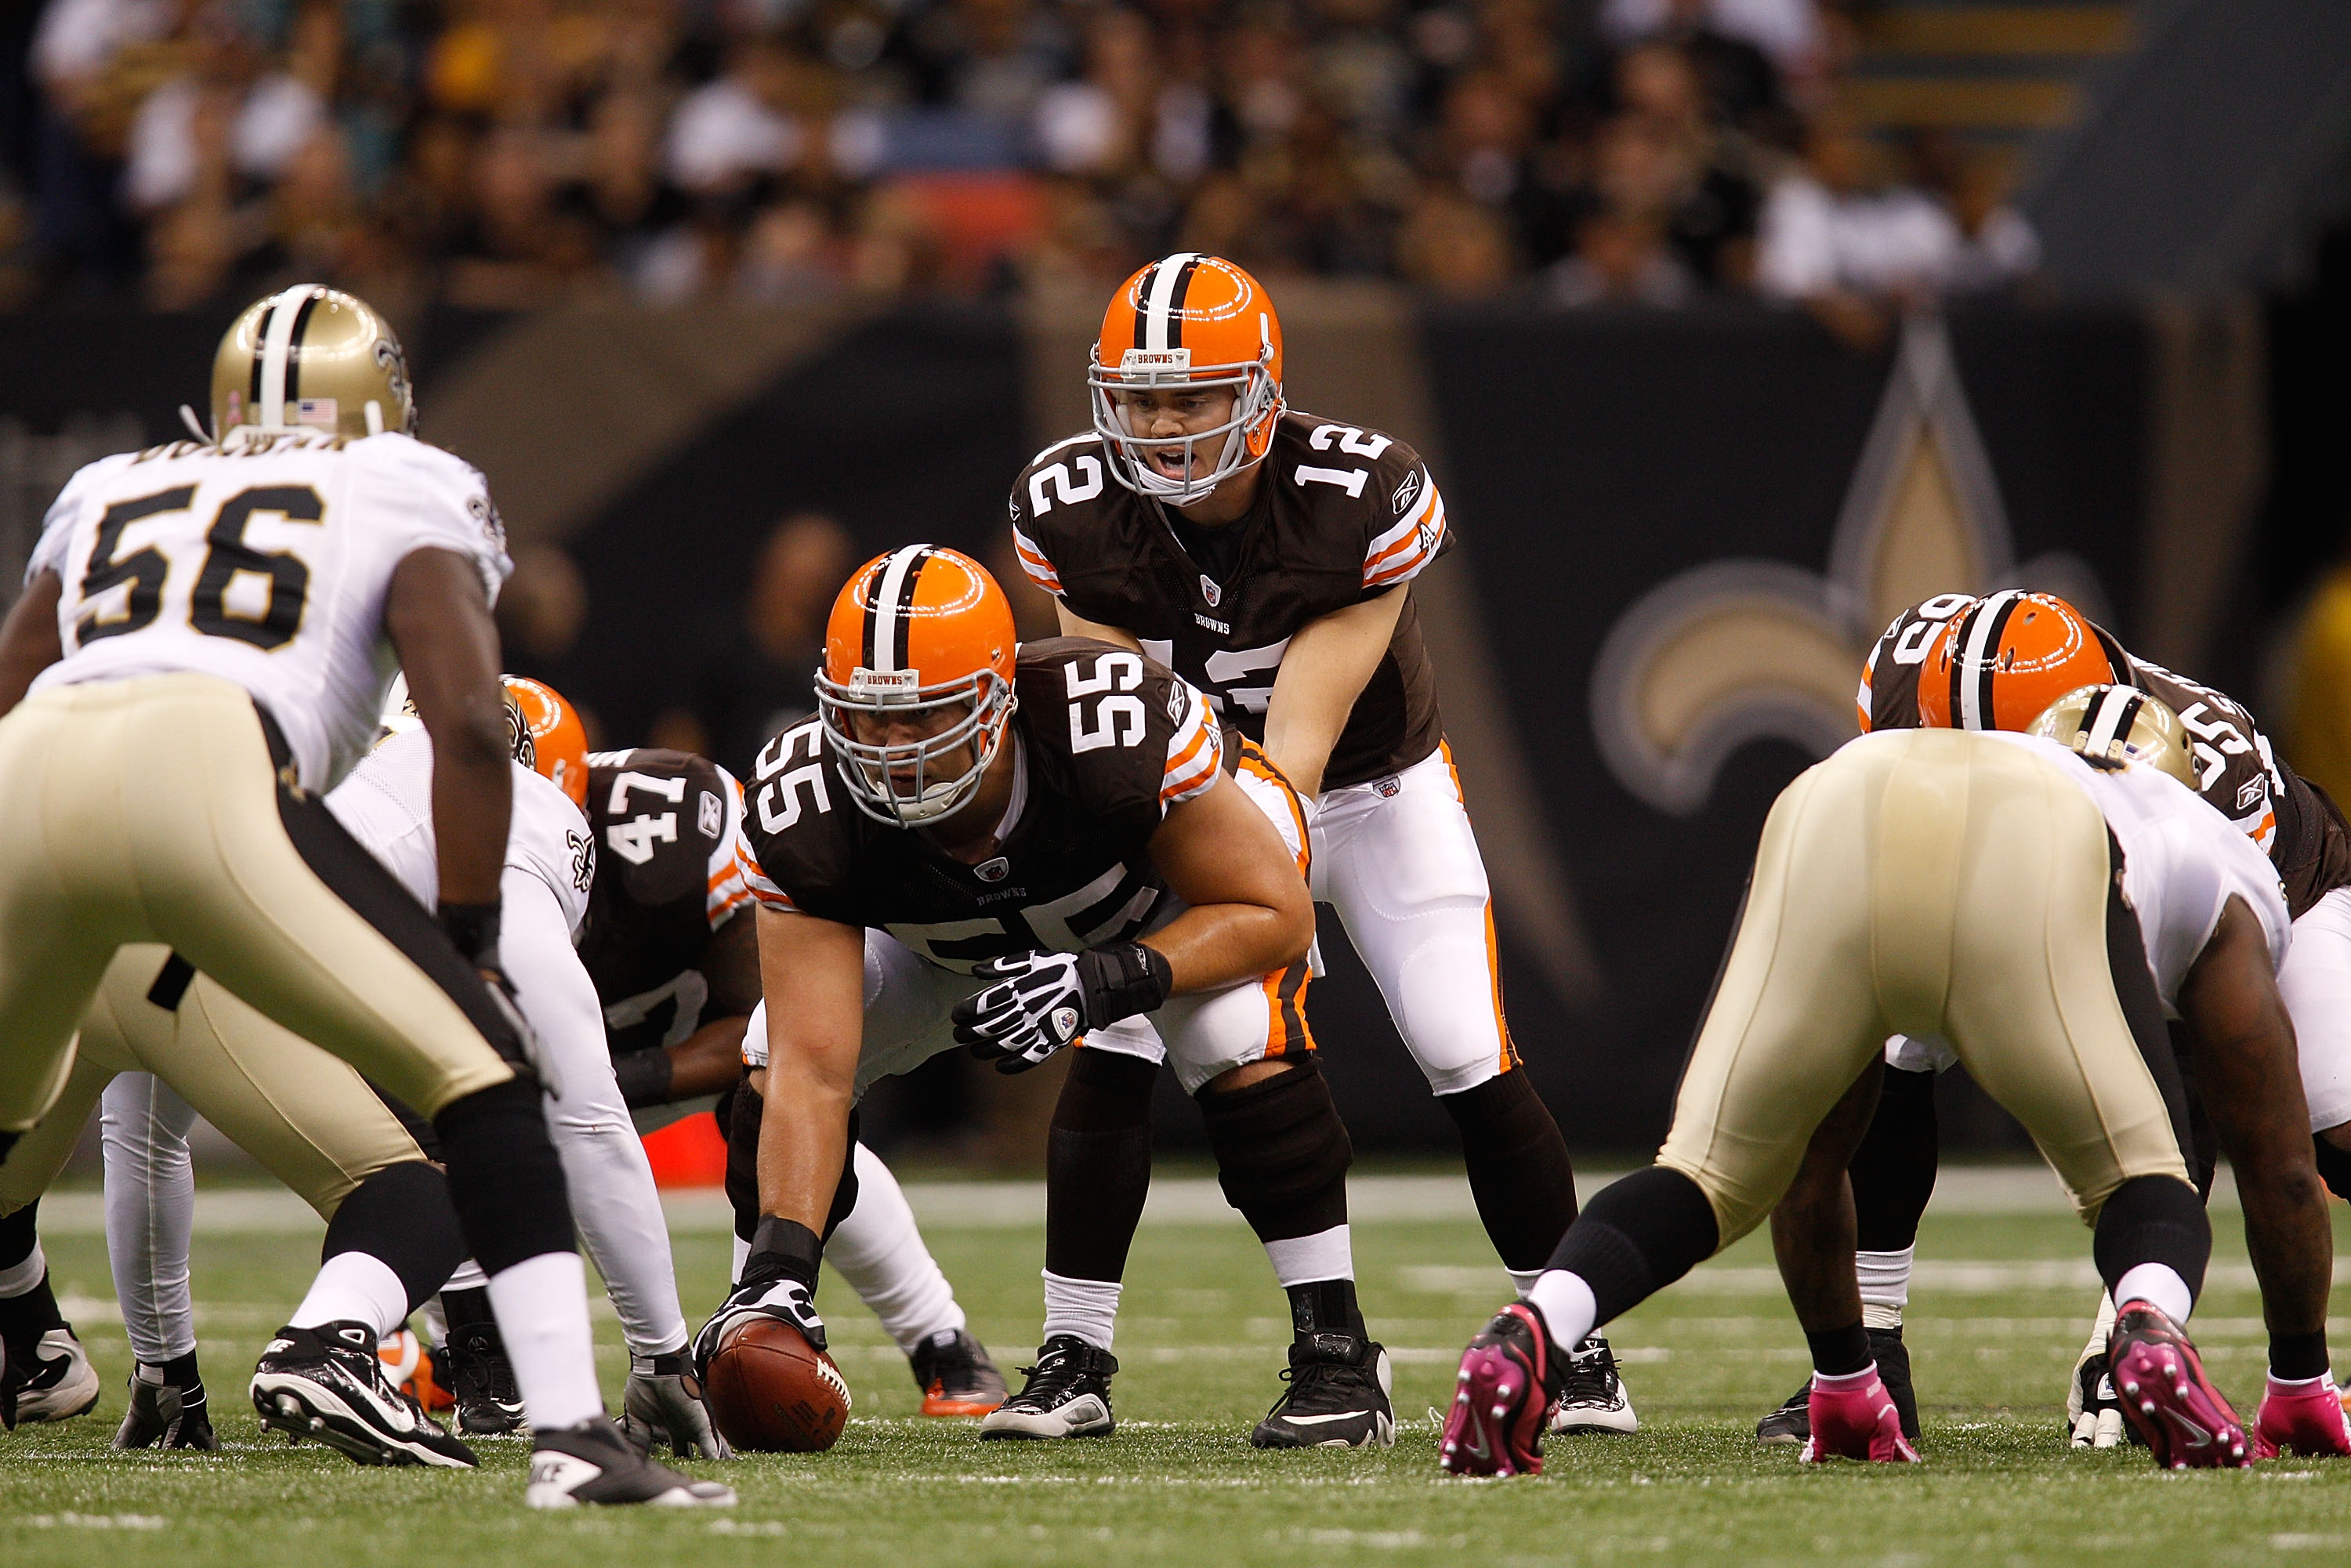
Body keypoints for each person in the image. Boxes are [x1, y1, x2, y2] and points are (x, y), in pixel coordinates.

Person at [0, 285, 728, 1507]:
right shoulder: (407, 482)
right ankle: (571, 1439)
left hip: (31, 776)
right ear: (380, 411)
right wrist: (469, 945)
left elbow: (18, 676)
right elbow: (471, 729)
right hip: (200, 772)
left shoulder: (114, 481)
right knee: (488, 1073)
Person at [1006, 253, 1629, 1433]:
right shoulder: (1072, 507)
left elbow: (1296, 745)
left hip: (1366, 788)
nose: (1162, 423)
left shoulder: (1360, 492)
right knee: (1123, 1031)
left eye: (1192, 396)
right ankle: (1074, 1358)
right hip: (1183, 803)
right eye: (1140, 397)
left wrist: (1245, 904)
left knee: (1461, 1049)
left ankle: (1574, 1342)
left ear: (1261, 390)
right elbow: (1114, 722)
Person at [1444, 687, 2299, 1476]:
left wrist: (1846, 1378)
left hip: (1830, 799)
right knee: (2140, 1178)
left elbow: (1817, 1166)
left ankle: (1535, 1327)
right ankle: (2147, 1330)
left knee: (1707, 1176)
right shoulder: (2206, 843)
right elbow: (2280, 1162)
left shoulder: (1973, 759)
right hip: (2033, 845)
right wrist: (2302, 1382)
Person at [704, 545, 1395, 1448]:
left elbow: (1276, 913)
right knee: (769, 1055)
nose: (894, 750)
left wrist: (1108, 977)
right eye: (869, 721)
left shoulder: (1101, 726)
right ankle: (767, 1296)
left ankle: (1338, 1353)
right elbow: (813, 1071)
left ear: (1000, 696)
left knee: (1230, 1028)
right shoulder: (809, 802)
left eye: (929, 717)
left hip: (1155, 902)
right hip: (949, 940)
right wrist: (781, 1266)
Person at [1753, 590, 2351, 1458]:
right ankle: (1871, 1348)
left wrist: (2130, 1330)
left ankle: (2169, 1346)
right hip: (2008, 858)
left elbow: (2189, 1044)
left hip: (2279, 902)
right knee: (1890, 1032)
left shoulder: (2200, 769)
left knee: (2325, 1129)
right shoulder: (1907, 676)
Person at [582, 741, 1007, 1414]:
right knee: (445, 1125)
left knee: (773, 1088)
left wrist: (615, 1076)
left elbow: (776, 1025)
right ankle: (445, 1346)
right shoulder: (409, 853)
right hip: (556, 1061)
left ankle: (938, 1338)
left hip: (674, 1042)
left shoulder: (669, 826)